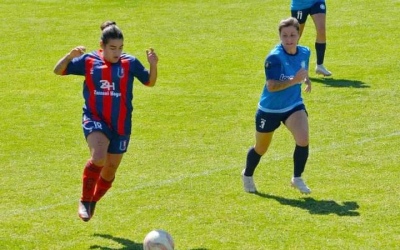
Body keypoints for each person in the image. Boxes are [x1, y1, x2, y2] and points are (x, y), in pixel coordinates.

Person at [53, 21, 158, 221]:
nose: (117, 52)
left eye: (120, 47)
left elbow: (149, 82)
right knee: (99, 157)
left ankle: (93, 201)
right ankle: (84, 199)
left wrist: (153, 65)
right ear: (102, 45)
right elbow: (58, 70)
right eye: (112, 48)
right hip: (95, 118)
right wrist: (69, 57)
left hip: (121, 124)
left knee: (110, 170)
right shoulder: (89, 60)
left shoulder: (130, 63)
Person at [241, 17, 312, 194]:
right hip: (269, 110)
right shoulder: (274, 58)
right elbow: (271, 86)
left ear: (298, 35)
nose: (289, 39)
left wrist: (306, 80)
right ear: (280, 36)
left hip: (293, 105)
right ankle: (247, 174)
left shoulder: (304, 52)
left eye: (293, 35)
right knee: (261, 148)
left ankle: (297, 178)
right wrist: (294, 80)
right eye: (285, 35)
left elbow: (303, 68)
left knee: (303, 139)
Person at [290, 0, 332, 76]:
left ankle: (320, 65)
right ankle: (289, 64)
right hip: (300, 4)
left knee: (321, 30)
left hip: (316, 2)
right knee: (295, 35)